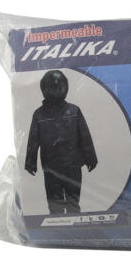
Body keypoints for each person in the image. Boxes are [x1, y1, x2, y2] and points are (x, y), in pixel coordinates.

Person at [25, 70, 98, 214]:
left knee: (71, 202)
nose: (56, 89)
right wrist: (30, 162)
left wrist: (91, 158)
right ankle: (58, 224)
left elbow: (84, 136)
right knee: (56, 204)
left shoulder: (74, 111)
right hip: (54, 167)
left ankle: (72, 224)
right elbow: (33, 141)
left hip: (69, 165)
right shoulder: (40, 114)